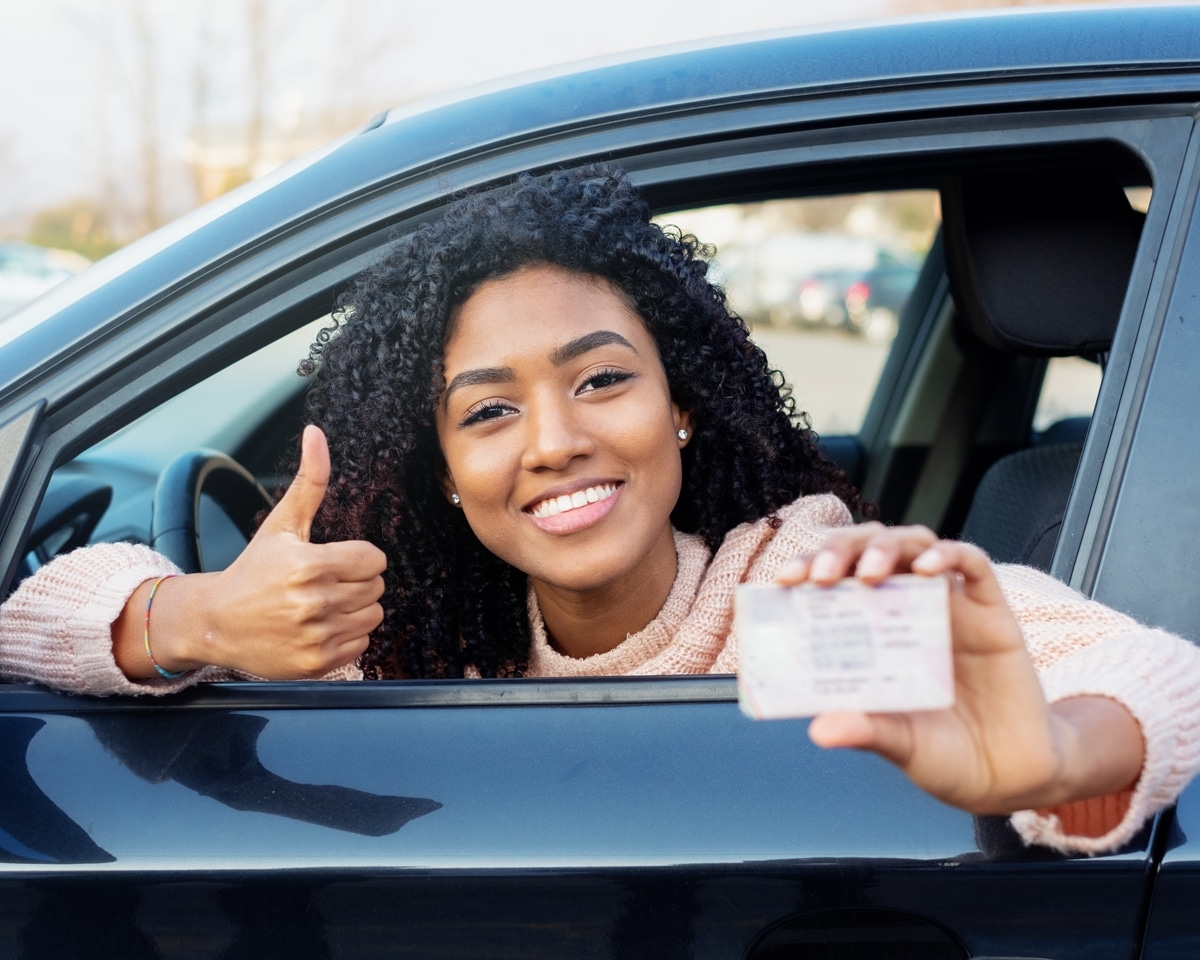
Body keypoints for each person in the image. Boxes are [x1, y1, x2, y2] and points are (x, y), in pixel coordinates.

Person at [1, 164, 1197, 856]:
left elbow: (1157, 678)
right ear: (444, 472)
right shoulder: (394, 639)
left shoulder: (797, 593)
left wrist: (1053, 759)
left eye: (601, 379)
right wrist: (199, 621)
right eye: (487, 413)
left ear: (681, 406)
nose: (557, 439)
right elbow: (27, 620)